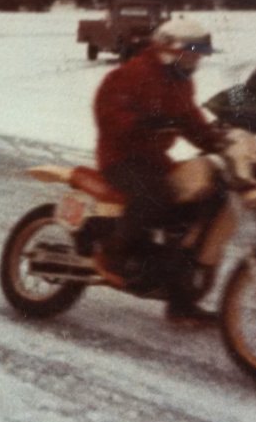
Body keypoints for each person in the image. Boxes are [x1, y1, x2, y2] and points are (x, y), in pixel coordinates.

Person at [93, 17, 225, 324]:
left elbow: (190, 118)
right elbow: (108, 110)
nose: (195, 61)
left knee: (196, 206)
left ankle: (180, 303)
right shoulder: (134, 73)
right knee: (154, 194)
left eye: (198, 56)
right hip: (121, 157)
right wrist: (138, 123)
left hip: (153, 159)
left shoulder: (180, 81)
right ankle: (113, 255)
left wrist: (215, 141)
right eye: (191, 53)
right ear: (169, 49)